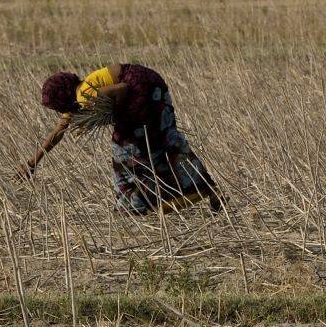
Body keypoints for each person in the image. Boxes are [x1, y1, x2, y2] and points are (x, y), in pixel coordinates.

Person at [27, 63, 221, 214]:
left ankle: (145, 201)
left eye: (55, 106)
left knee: (127, 148)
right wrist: (32, 163)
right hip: (153, 83)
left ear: (63, 97)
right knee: (163, 137)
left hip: (139, 89)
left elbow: (121, 89)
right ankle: (204, 186)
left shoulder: (84, 96)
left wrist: (118, 114)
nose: (57, 111)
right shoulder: (83, 90)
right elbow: (59, 131)